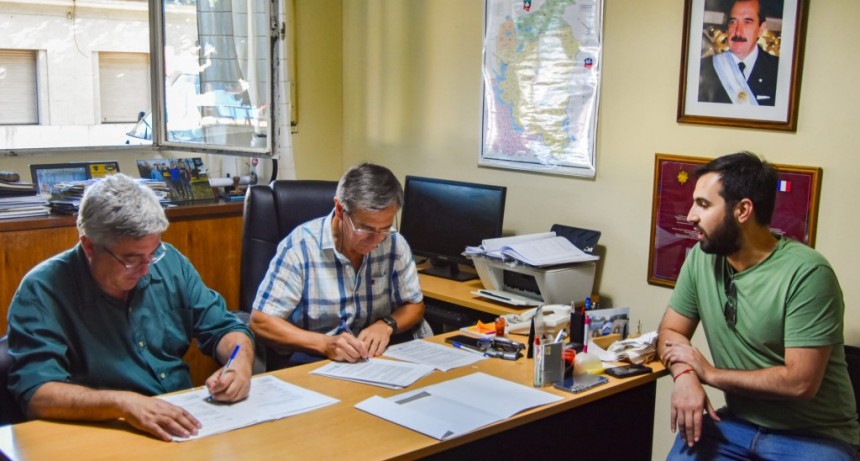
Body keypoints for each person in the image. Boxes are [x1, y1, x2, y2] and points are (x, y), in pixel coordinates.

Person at [6, 174, 254, 442]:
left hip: (182, 422)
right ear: (89, 246)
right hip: (101, 431)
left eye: (152, 253)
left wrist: (239, 362)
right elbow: (37, 393)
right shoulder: (42, 291)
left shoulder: (169, 262)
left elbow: (227, 328)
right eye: (131, 259)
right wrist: (122, 403)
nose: (147, 268)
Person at [657, 152, 859, 460]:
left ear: (742, 210)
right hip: (736, 426)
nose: (690, 216)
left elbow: (800, 382)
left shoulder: (807, 273)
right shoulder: (701, 257)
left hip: (815, 437)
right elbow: (671, 329)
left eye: (704, 204)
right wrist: (685, 376)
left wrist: (709, 374)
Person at [249, 163, 427, 366]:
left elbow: (415, 304)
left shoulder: (394, 243)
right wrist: (325, 344)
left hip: (373, 359)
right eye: (365, 229)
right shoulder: (301, 247)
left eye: (384, 228)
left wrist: (386, 325)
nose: (376, 239)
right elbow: (260, 322)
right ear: (340, 210)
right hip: (314, 359)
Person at [698, 0, 778, 106]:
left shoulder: (778, 70)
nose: (738, 31)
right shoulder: (704, 69)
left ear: (761, 28)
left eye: (747, 22)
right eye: (733, 22)